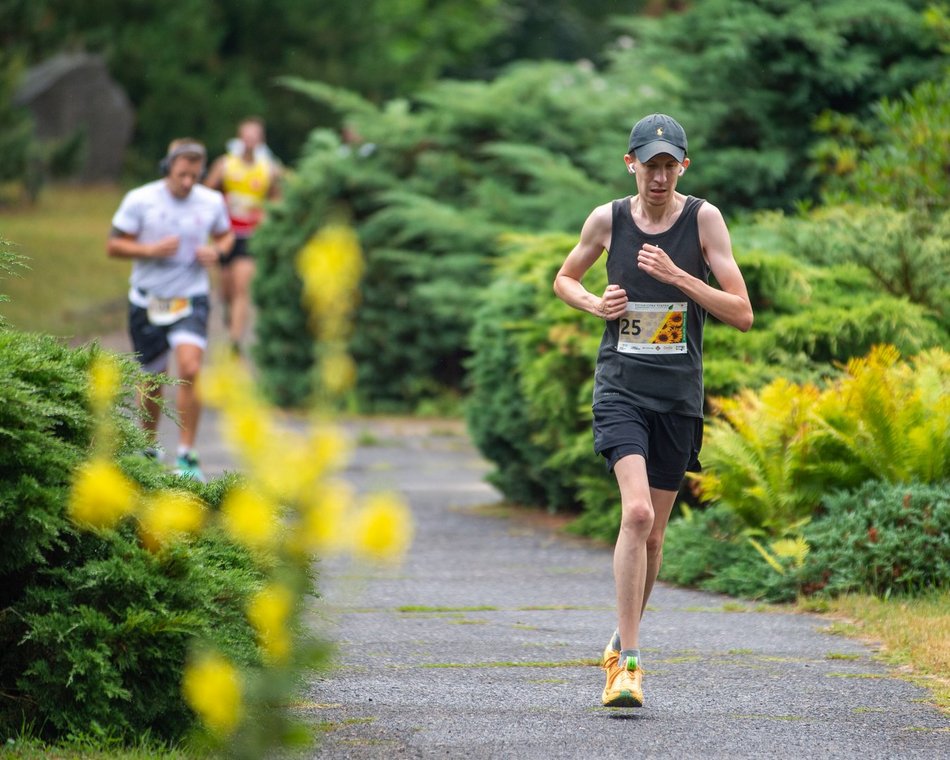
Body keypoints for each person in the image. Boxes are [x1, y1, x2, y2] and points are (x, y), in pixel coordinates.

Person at [553, 114, 753, 708]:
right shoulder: (607, 218)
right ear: (630, 163)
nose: (659, 176)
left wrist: (679, 277)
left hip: (677, 396)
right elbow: (565, 278)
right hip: (620, 387)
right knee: (636, 513)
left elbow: (741, 312)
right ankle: (630, 667)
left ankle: (619, 641)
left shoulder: (704, 220)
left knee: (656, 533)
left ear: (682, 167)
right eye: (650, 164)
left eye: (670, 165)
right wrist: (595, 303)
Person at [108, 138, 234, 481]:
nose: (188, 182)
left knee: (191, 368)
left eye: (195, 175)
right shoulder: (140, 199)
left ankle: (186, 455)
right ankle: (148, 448)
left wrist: (218, 252)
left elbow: (226, 235)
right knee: (152, 378)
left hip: (190, 297)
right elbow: (113, 244)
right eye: (181, 174)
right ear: (168, 169)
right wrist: (149, 250)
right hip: (147, 300)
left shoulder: (210, 202)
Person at [203, 116, 281, 355]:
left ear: (260, 139)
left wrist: (267, 215)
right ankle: (227, 308)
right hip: (225, 234)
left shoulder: (269, 169)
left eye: (254, 136)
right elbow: (206, 193)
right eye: (246, 136)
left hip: (251, 235)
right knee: (226, 286)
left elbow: (277, 200)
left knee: (242, 286)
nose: (249, 141)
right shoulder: (225, 165)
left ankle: (235, 341)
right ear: (239, 137)